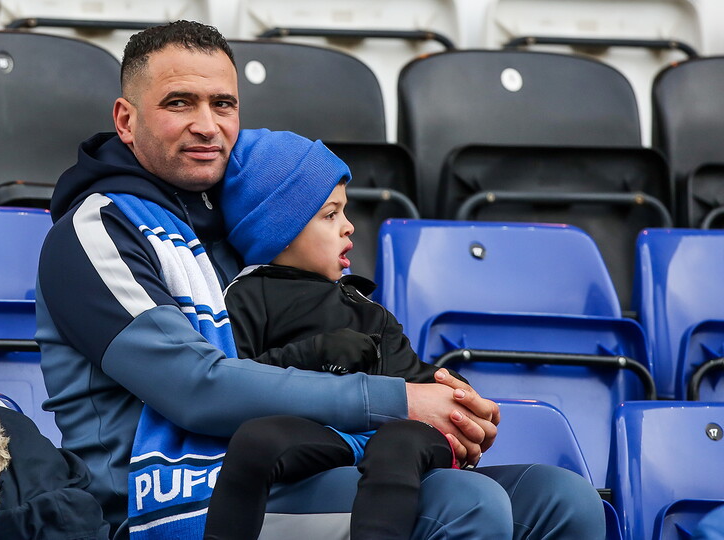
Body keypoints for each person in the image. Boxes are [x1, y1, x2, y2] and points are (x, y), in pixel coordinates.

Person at [36, 19, 606, 539]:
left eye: (223, 104)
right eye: (179, 103)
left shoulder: (237, 219)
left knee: (560, 498)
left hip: (299, 457)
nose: (207, 125)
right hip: (167, 496)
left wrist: (445, 401)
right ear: (126, 119)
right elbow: (194, 388)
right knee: (461, 505)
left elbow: (323, 338)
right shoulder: (96, 230)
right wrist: (396, 401)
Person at [202, 128, 460, 540]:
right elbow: (241, 381)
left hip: (392, 434)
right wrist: (315, 354)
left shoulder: (362, 304)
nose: (349, 227)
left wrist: (455, 393)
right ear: (280, 231)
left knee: (400, 443)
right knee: (256, 439)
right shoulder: (247, 295)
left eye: (345, 212)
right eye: (330, 214)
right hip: (320, 434)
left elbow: (412, 378)